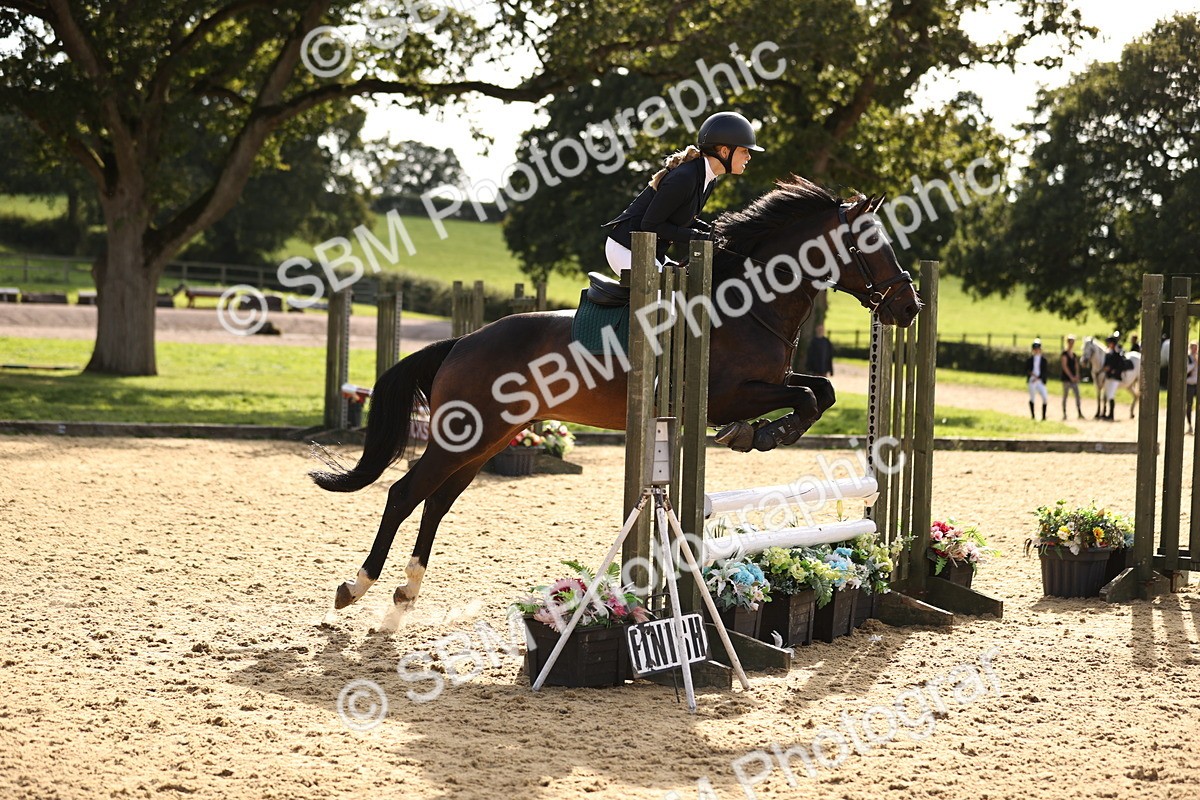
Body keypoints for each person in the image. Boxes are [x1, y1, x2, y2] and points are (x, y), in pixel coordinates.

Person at [601, 111, 762, 275]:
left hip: (651, 251)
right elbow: (649, 224)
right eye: (744, 151)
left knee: (682, 294)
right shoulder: (684, 178)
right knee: (666, 297)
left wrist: (715, 233)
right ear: (725, 152)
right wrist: (697, 237)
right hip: (626, 248)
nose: (748, 157)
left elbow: (683, 219)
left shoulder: (708, 179)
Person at [1100, 335, 1125, 420]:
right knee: (1106, 394)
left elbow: (1120, 366)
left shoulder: (1117, 354)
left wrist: (1113, 370)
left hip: (1115, 377)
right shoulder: (1108, 354)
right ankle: (1105, 412)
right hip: (1108, 376)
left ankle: (1111, 414)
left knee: (1111, 395)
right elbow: (1105, 365)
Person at [1060, 335, 1084, 420]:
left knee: (1077, 395)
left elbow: (1076, 366)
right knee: (1065, 395)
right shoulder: (1064, 354)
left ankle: (1079, 412)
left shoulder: (1073, 354)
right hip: (1066, 379)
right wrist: (1071, 377)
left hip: (1074, 378)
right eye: (1071, 342)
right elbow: (1064, 366)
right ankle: (1064, 413)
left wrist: (1077, 375)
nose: (1072, 344)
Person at [1025, 339, 1049, 420]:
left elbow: (1044, 371)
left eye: (1038, 348)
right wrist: (1033, 376)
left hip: (1040, 380)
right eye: (1035, 349)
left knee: (1045, 397)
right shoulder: (1030, 360)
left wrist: (1038, 378)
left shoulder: (1044, 360)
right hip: (1032, 379)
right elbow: (1027, 370)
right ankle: (1033, 415)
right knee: (1032, 397)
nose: (1036, 350)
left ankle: (1044, 416)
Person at [1187, 341, 1198, 435]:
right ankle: (1190, 425)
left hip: (1197, 385)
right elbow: (1186, 370)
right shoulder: (1188, 358)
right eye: (1193, 348)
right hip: (1189, 384)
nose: (1195, 350)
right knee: (1189, 405)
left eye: (1196, 348)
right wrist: (1194, 364)